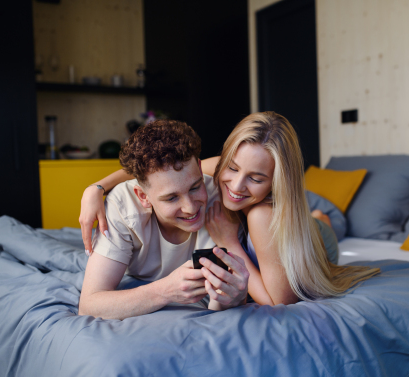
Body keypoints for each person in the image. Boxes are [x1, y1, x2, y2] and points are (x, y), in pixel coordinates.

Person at [81, 112, 379, 306]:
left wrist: (230, 241)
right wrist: (97, 188)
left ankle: (320, 219)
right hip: (258, 242)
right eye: (232, 168)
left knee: (324, 226)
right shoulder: (208, 172)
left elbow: (279, 301)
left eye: (257, 178)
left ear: (275, 181)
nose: (235, 187)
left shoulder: (262, 214)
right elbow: (150, 168)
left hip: (306, 238)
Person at [78, 120, 249, 320]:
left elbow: (219, 306)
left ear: (200, 169)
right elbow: (89, 306)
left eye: (195, 187)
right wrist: (167, 290)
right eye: (171, 198)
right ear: (143, 196)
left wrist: (236, 297)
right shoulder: (123, 206)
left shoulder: (222, 202)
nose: (191, 208)